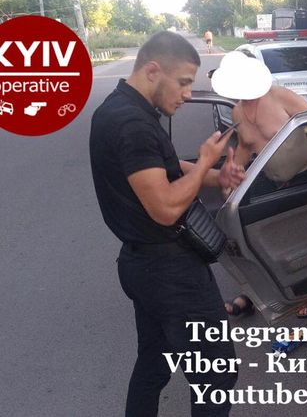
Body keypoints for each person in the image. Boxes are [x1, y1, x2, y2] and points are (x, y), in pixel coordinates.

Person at [89, 31, 245, 417]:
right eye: (184, 82)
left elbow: (166, 166)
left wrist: (216, 176)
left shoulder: (124, 109)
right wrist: (207, 161)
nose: (188, 94)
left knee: (154, 364)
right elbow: (164, 208)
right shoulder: (132, 124)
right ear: (153, 70)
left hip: (144, 266)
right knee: (216, 374)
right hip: (169, 272)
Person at [211, 50, 307, 318]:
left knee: (302, 237)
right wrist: (232, 176)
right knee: (253, 235)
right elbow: (245, 146)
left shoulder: (280, 96)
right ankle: (254, 294)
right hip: (271, 180)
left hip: (305, 175)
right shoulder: (238, 110)